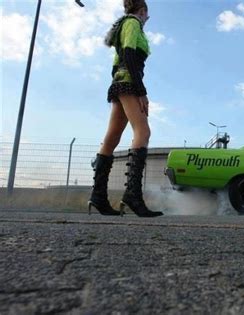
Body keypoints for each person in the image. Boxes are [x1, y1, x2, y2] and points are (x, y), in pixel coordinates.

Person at [88, 0, 163, 217]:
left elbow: (116, 64)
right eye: (147, 16)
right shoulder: (132, 23)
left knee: (112, 137)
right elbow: (129, 55)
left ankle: (98, 196)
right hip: (129, 82)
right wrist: (140, 91)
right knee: (143, 131)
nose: (147, 20)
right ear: (142, 11)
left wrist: (119, 84)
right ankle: (132, 196)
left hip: (120, 81)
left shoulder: (124, 25)